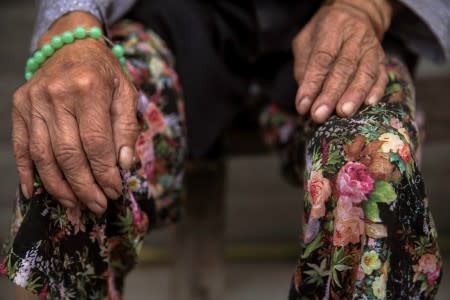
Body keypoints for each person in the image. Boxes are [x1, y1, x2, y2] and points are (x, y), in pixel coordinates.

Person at [1, 0, 449, 299]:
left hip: (340, 20)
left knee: (376, 159)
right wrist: (72, 26)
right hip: (176, 18)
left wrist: (365, 6)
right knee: (73, 144)